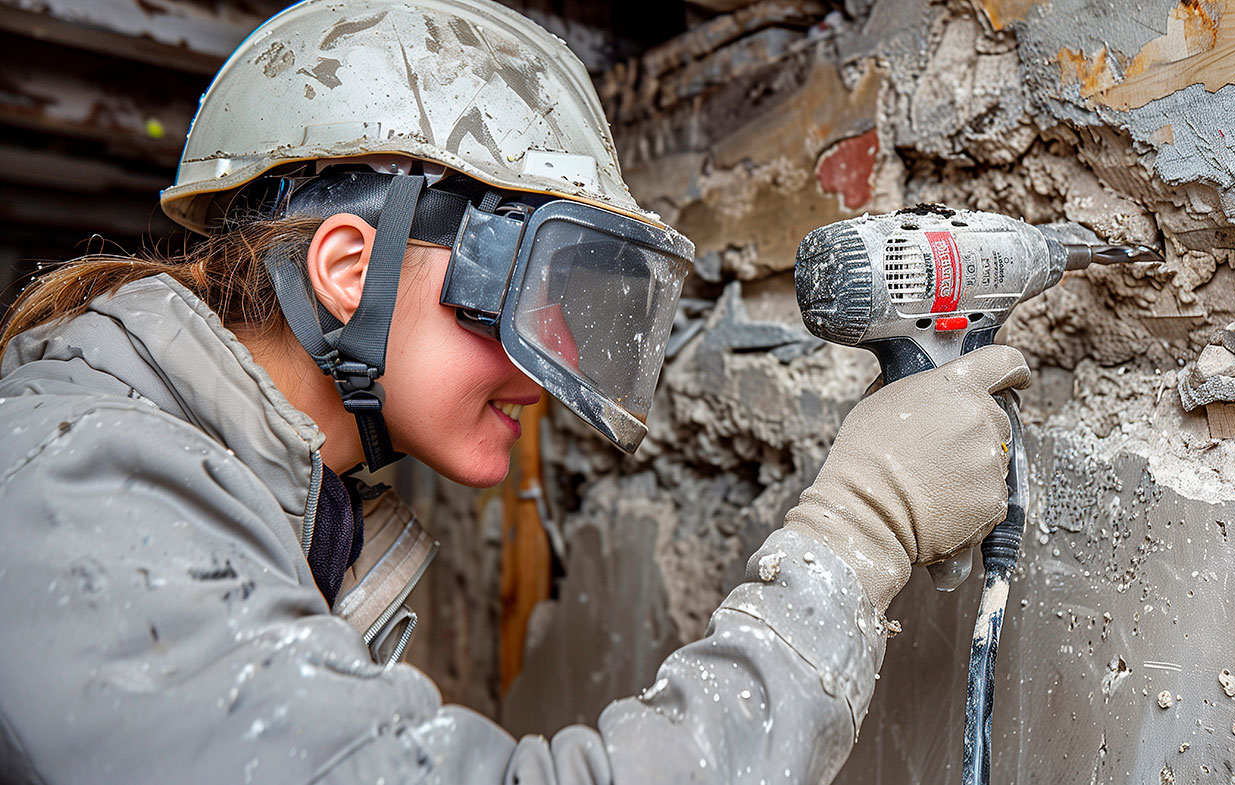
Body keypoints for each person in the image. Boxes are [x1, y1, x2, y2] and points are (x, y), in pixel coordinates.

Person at [0, 1, 1030, 782]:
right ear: (348, 269)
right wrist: (858, 531)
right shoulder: (82, 485)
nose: (548, 372)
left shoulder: (276, 500)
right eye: (537, 290)